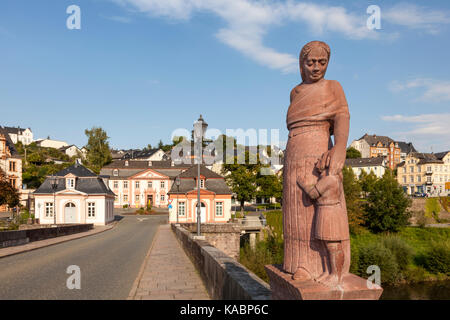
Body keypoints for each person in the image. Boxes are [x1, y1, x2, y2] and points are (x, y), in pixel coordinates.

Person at [283, 40, 351, 284]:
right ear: (301, 64)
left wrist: (340, 148)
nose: (316, 67)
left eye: (322, 62)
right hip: (293, 154)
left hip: (318, 150)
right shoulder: (295, 92)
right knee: (296, 210)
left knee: (315, 212)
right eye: (310, 62)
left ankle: (323, 267)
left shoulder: (333, 87)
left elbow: (342, 115)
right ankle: (298, 263)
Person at [296, 164, 349, 286]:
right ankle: (328, 272)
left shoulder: (329, 179)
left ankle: (336, 276)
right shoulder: (327, 178)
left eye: (320, 159)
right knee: (325, 245)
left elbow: (313, 194)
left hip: (330, 212)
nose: (316, 162)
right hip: (324, 211)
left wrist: (303, 184)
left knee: (333, 245)